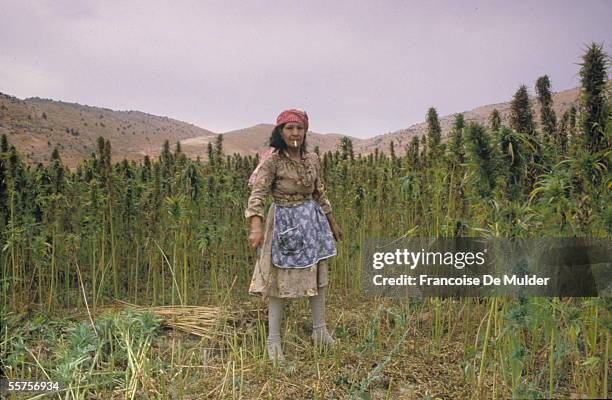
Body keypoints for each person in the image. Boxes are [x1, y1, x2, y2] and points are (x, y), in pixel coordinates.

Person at [245, 108, 343, 363]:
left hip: (312, 223)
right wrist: (255, 226)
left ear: (305, 131)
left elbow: (319, 192)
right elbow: (258, 194)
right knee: (278, 281)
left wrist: (332, 222)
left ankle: (319, 331)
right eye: (289, 128)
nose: (294, 132)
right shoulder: (273, 161)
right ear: (280, 131)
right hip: (284, 224)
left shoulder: (312, 159)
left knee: (318, 275)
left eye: (299, 128)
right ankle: (273, 341)